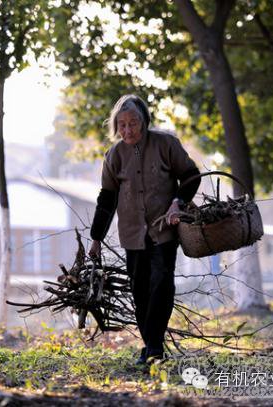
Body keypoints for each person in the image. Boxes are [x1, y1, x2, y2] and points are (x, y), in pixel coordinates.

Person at [88, 94, 200, 364]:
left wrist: (178, 203)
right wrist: (96, 239)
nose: (127, 130)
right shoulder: (114, 155)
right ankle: (152, 346)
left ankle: (153, 348)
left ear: (145, 122)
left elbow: (191, 176)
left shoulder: (166, 144)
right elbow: (107, 198)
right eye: (122, 125)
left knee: (161, 285)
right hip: (132, 234)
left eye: (133, 123)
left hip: (164, 230)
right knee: (140, 291)